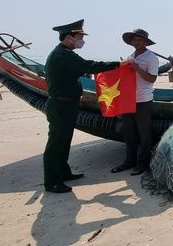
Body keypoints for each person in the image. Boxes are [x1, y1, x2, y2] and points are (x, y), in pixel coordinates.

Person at [44, 19, 129, 193]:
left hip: (66, 105)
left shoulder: (64, 54)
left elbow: (82, 69)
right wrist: (117, 64)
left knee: (64, 141)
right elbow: (88, 66)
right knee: (56, 143)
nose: (82, 40)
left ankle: (63, 173)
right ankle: (52, 181)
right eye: (79, 37)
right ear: (69, 38)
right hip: (60, 106)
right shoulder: (63, 55)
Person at [111, 29, 159, 176]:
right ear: (131, 41)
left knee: (144, 133)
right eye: (134, 39)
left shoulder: (151, 58)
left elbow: (152, 79)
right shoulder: (130, 56)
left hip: (143, 100)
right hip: (129, 99)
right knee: (128, 132)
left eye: (139, 39)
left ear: (145, 42)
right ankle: (129, 161)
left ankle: (143, 163)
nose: (136, 42)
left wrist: (137, 69)